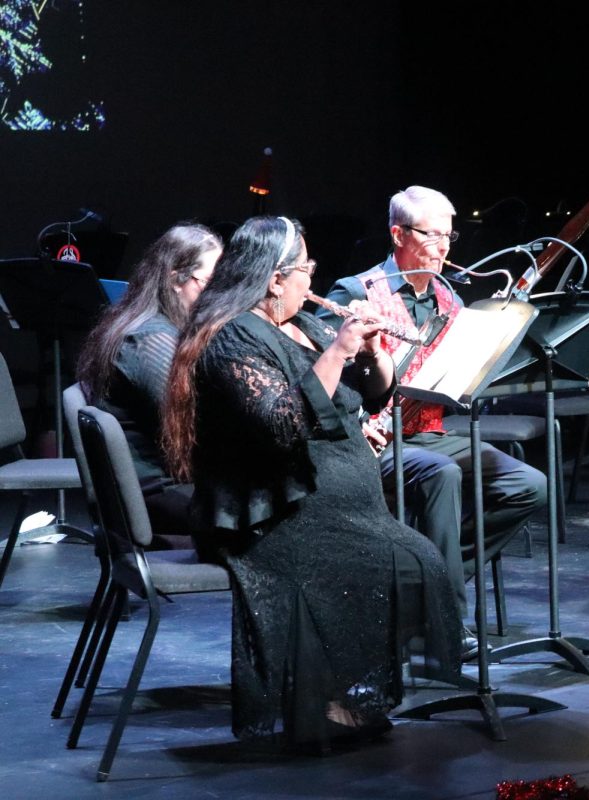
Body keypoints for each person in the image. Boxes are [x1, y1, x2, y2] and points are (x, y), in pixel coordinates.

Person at [161, 216, 460, 750]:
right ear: (275, 279)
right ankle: (332, 697)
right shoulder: (232, 337)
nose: (312, 279)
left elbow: (371, 397)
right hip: (270, 507)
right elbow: (282, 423)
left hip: (337, 503)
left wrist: (372, 354)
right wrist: (340, 350)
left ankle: (350, 689)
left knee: (420, 565)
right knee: (404, 565)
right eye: (305, 269)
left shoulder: (309, 324)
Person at [322, 186, 548, 648]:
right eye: (432, 236)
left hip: (429, 432)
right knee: (441, 476)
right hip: (372, 441)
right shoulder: (355, 291)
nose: (444, 248)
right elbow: (326, 380)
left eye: (449, 236)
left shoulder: (449, 298)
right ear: (397, 234)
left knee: (529, 485)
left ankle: (426, 587)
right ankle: (446, 620)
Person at [75, 223, 221, 548]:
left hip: (163, 483)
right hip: (154, 494)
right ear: (174, 279)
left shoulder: (159, 326)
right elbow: (191, 423)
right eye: (208, 283)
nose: (214, 295)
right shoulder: (149, 338)